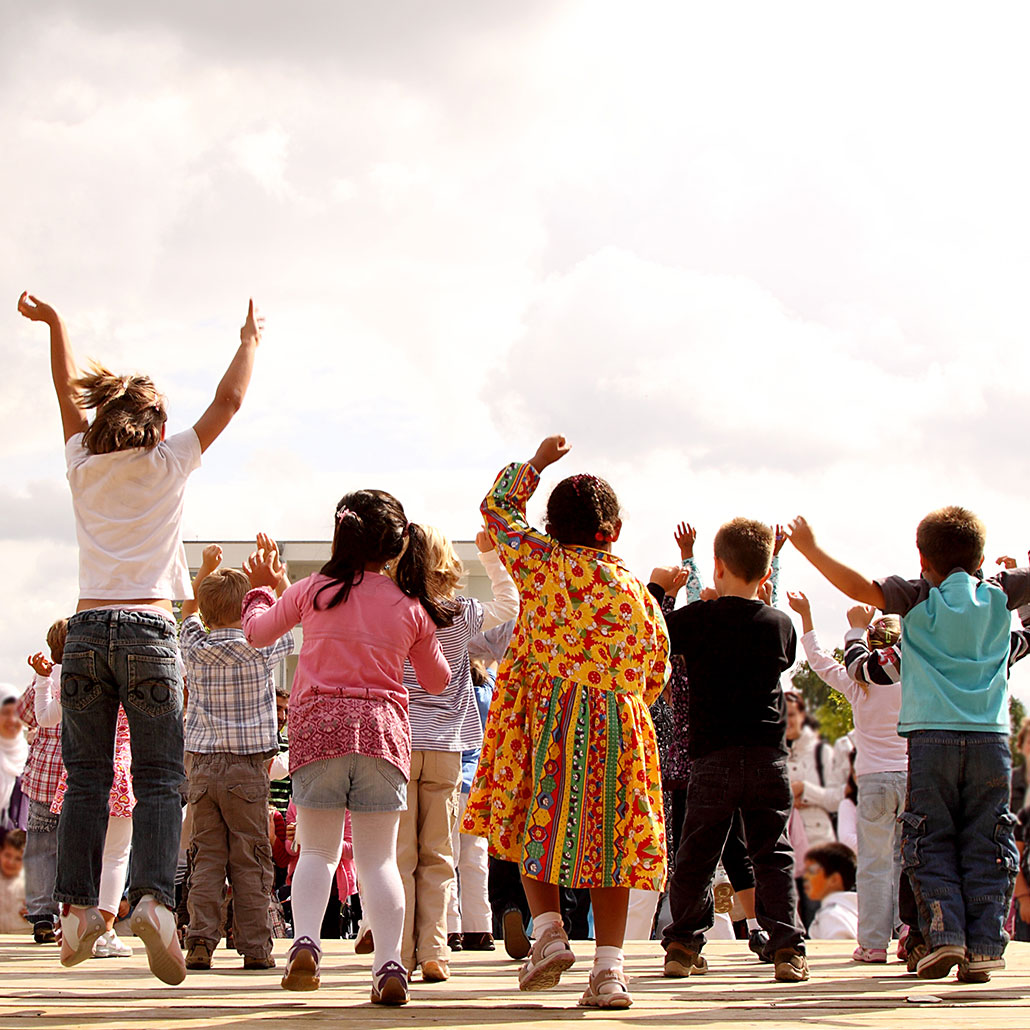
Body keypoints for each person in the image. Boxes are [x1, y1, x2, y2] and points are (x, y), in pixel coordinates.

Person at [19, 290, 263, 983]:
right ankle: (155, 899)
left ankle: (73, 909)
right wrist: (248, 339)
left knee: (87, 781)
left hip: (88, 631)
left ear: (101, 422)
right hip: (154, 630)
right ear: (157, 427)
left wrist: (57, 323)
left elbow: (65, 393)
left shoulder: (81, 465)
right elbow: (228, 403)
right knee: (159, 777)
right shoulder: (169, 462)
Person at [463, 435, 670, 1010]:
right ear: (616, 531)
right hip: (618, 724)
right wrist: (619, 700)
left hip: (547, 720)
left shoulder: (542, 563)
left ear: (552, 528)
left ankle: (549, 930)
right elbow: (656, 668)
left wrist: (532, 465)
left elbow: (496, 513)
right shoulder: (637, 592)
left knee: (535, 817)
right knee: (614, 841)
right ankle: (609, 971)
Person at [788, 508, 1030, 983]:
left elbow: (861, 590)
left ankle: (945, 936)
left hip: (930, 738)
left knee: (930, 839)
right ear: (981, 557)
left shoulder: (920, 598)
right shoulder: (1001, 595)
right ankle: (985, 946)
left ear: (922, 559)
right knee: (986, 839)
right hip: (990, 741)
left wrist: (811, 549)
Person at [241, 491, 451, 1005]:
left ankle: (306, 945)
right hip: (382, 733)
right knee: (379, 860)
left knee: (317, 849)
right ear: (396, 545)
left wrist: (262, 591)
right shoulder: (410, 608)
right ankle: (389, 967)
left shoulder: (313, 590)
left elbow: (256, 634)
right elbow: (438, 681)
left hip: (319, 728)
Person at [650, 517, 808, 983]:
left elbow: (655, 633)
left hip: (712, 756)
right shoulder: (779, 625)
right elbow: (787, 656)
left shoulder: (697, 621)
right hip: (766, 755)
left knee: (697, 851)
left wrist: (663, 590)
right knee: (772, 852)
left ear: (716, 566)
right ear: (765, 576)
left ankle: (681, 944)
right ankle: (786, 949)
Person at [392, 525, 517, 981]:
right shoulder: (460, 613)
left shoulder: (395, 611)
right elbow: (509, 605)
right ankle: (434, 950)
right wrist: (490, 557)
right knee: (439, 855)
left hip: (400, 746)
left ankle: (398, 950)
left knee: (401, 855)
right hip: (447, 746)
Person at [179, 541, 295, 971]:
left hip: (203, 767)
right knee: (250, 857)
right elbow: (296, 617)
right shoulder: (260, 646)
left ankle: (200, 942)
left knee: (205, 856)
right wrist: (275, 582)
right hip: (248, 768)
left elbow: (187, 610)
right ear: (247, 609)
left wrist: (206, 569)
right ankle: (255, 947)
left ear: (209, 613)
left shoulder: (194, 645)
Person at [786, 591, 906, 962]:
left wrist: (807, 616)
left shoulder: (860, 684)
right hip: (914, 775)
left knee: (873, 863)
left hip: (873, 780)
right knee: (910, 861)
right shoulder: (916, 680)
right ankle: (910, 934)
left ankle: (872, 944)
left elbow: (820, 662)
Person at [33, 653, 136, 959]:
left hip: (81, 774)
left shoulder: (77, 683)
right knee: (116, 856)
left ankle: (77, 929)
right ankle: (105, 931)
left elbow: (45, 718)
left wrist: (42, 680)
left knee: (81, 855)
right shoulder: (132, 682)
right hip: (119, 770)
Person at [19, 621, 67, 943]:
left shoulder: (45, 678)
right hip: (76, 777)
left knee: (39, 847)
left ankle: (41, 915)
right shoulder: (83, 679)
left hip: (43, 778)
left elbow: (25, 713)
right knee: (73, 847)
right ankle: (72, 911)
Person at [804, 842, 859, 940]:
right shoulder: (856, 909)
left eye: (812, 871)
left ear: (834, 880)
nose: (806, 876)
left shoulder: (831, 915)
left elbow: (839, 952)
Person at [0, 687, 28, 832]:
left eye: (16, 713)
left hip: (15, 845)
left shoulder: (28, 756)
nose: (12, 720)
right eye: (5, 713)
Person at [0, 828, 30, 933]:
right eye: (7, 855)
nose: (11, 862)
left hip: (24, 938)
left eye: (18, 858)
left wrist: (36, 913)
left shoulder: (34, 884)